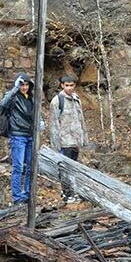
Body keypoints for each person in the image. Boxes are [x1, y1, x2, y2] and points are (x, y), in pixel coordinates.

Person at [49, 74, 89, 202]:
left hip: (75, 140)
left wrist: (84, 138)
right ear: (62, 85)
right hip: (64, 141)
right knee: (65, 169)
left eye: (72, 85)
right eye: (67, 85)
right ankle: (66, 194)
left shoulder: (77, 99)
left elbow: (81, 120)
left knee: (74, 169)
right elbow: (54, 124)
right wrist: (56, 144)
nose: (69, 88)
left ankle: (73, 192)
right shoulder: (57, 101)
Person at [0, 73, 35, 204]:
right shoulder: (12, 96)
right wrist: (15, 88)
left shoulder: (30, 97)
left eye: (26, 85)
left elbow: (34, 112)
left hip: (30, 135)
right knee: (18, 167)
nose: (24, 87)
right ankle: (17, 197)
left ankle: (26, 195)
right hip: (18, 135)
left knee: (30, 167)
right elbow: (2, 105)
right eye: (22, 85)